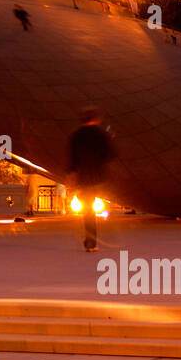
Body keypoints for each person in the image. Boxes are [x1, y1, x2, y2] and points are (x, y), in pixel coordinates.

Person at [67, 107, 116, 252]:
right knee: (99, 204)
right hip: (99, 177)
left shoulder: (76, 136)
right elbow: (111, 154)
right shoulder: (101, 134)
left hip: (84, 178)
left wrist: (71, 176)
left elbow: (72, 160)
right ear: (95, 119)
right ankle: (105, 230)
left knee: (88, 210)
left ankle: (90, 242)